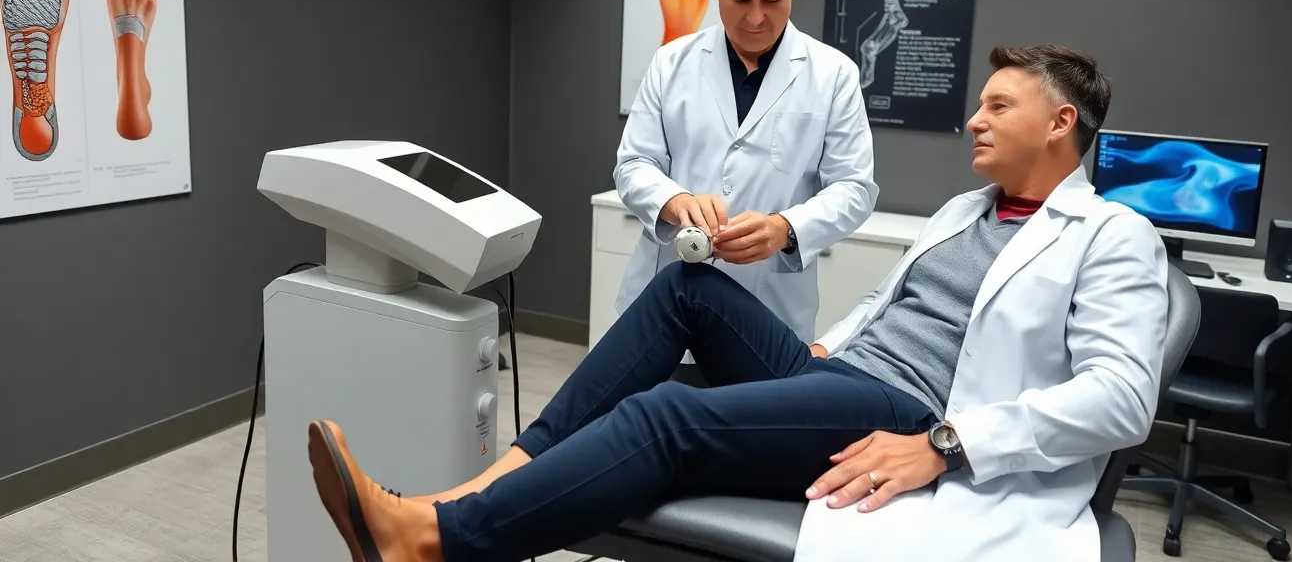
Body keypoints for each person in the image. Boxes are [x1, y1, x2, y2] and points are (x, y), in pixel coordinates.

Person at [306, 44, 1169, 562]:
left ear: (1060, 123)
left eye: (997, 106)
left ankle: (440, 542)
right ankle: (496, 481)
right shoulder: (964, 210)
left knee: (669, 413)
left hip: (913, 410)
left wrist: (947, 444)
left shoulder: (1115, 235)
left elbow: (1124, 400)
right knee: (684, 285)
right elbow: (887, 300)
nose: (973, 121)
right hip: (850, 373)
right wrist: (826, 348)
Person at [612, 0, 877, 378]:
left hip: (769, 311)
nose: (756, 18)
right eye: (740, 0)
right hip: (667, 295)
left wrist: (785, 228)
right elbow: (633, 164)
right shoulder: (671, 62)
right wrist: (674, 201)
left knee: (748, 443)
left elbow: (854, 188)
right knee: (649, 433)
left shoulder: (833, 75)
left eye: (772, 0)